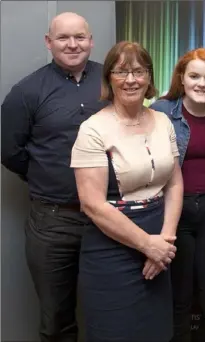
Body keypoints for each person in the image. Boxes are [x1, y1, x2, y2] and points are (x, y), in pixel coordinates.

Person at [1, 12, 105, 342]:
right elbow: (9, 152)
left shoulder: (112, 80)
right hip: (53, 223)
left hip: (111, 219)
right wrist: (49, 177)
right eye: (63, 38)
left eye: (79, 37)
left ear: (91, 40)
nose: (72, 44)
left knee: (110, 312)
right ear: (49, 43)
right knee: (57, 322)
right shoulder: (26, 91)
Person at [70, 41, 182, 341]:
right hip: (112, 246)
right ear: (109, 78)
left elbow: (174, 183)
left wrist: (164, 244)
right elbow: (92, 205)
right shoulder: (93, 129)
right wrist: (147, 245)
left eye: (138, 71)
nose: (131, 80)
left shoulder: (162, 121)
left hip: (159, 241)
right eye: (121, 72)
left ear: (149, 78)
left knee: (156, 332)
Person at [149, 47, 205, 342]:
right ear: (181, 78)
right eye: (194, 76)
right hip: (172, 214)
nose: (201, 83)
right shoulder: (160, 112)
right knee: (178, 296)